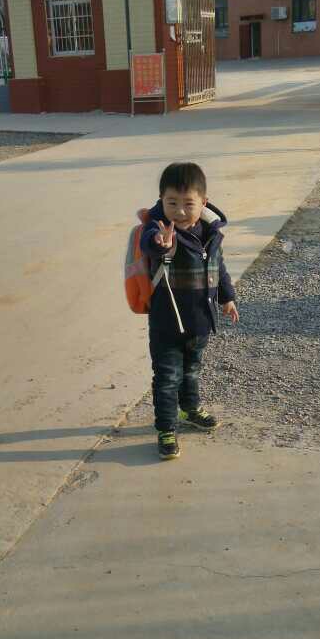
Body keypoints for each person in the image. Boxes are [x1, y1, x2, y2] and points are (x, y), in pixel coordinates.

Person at [140, 162, 239, 461]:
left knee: (191, 371)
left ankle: (190, 408)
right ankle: (166, 429)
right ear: (161, 200)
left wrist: (227, 298)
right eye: (172, 203)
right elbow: (151, 245)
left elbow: (218, 267)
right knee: (168, 378)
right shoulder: (157, 228)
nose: (180, 212)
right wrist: (161, 244)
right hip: (166, 324)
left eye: (188, 204)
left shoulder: (211, 232)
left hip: (199, 322)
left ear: (203, 203)